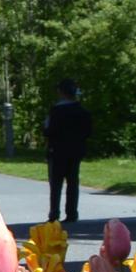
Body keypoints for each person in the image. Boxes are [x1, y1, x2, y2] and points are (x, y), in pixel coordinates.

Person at [43, 79, 93, 229]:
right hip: (75, 150)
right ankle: (72, 213)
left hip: (57, 150)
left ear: (61, 92)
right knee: (73, 181)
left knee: (56, 183)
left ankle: (54, 214)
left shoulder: (56, 111)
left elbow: (48, 130)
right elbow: (88, 131)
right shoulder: (82, 111)